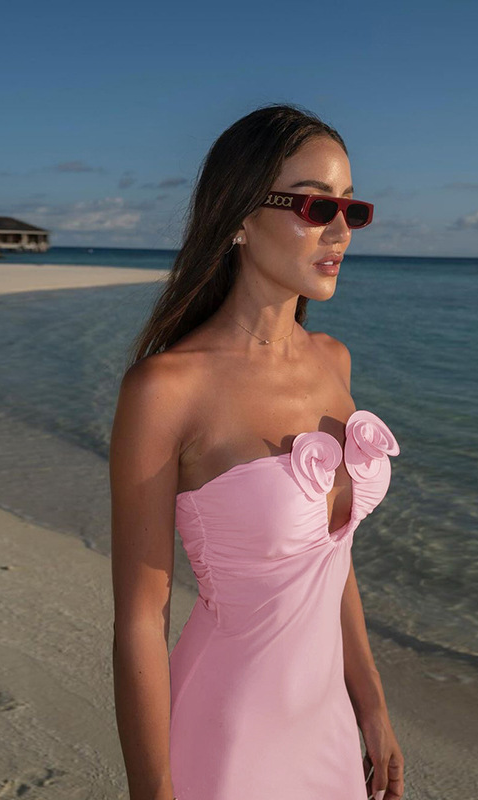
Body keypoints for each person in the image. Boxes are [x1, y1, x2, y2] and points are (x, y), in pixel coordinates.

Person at [110, 103, 405, 800]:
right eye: (313, 205)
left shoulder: (334, 361)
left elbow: (332, 557)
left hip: (329, 726)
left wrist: (371, 701)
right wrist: (153, 793)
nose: (339, 230)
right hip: (227, 737)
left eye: (350, 209)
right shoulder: (166, 389)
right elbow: (139, 623)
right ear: (239, 217)